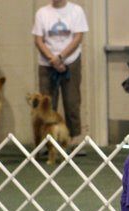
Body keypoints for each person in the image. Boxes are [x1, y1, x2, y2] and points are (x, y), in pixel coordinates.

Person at [32, 0, 88, 147]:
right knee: (46, 104)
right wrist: (52, 58)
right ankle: (46, 142)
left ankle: (74, 139)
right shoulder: (41, 13)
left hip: (71, 61)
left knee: (72, 102)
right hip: (47, 63)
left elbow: (78, 37)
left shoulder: (76, 11)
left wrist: (61, 57)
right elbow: (38, 40)